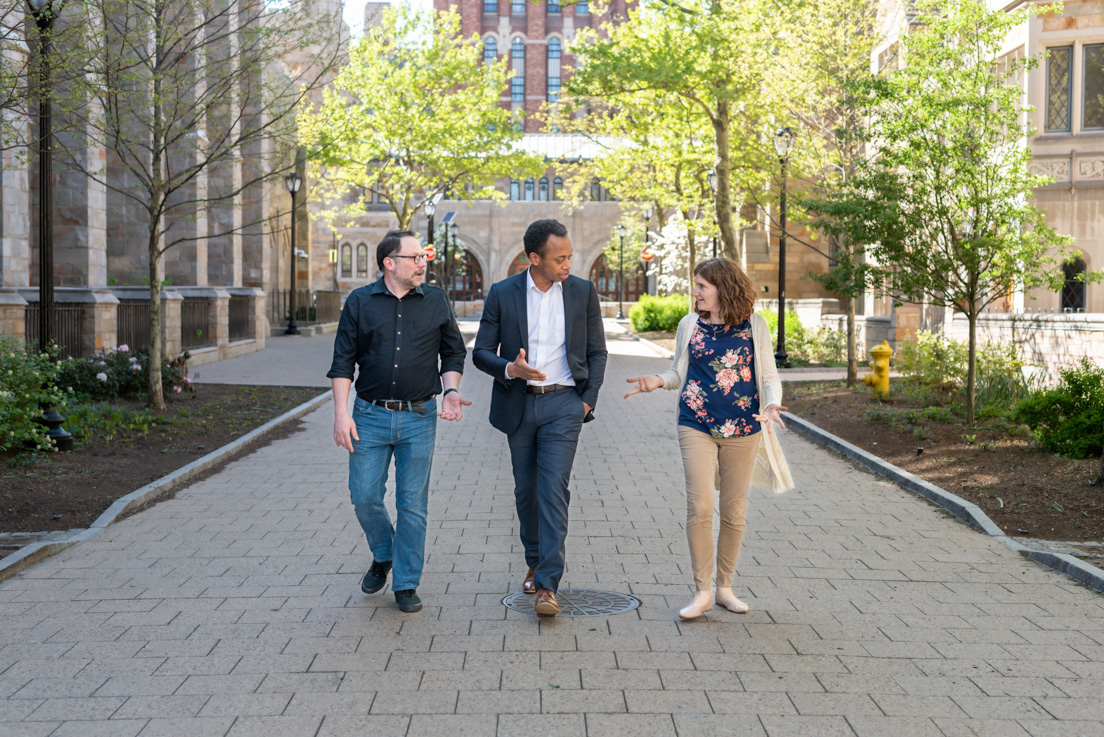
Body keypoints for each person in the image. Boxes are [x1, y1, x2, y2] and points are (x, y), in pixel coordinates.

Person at [625, 258, 793, 620]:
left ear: (723, 288)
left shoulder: (754, 327)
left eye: (702, 286)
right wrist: (657, 381)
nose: (695, 291)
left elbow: (769, 377)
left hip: (743, 428)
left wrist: (774, 403)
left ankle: (724, 588)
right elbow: (676, 373)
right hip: (695, 423)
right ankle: (701, 591)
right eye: (695, 285)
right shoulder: (690, 325)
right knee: (700, 507)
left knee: (733, 511)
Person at [327, 229, 471, 613]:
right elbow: (343, 362)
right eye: (414, 257)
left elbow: (453, 353)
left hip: (420, 416)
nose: (422, 263)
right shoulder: (360, 302)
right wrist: (341, 413)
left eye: (423, 257)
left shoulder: (437, 300)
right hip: (369, 416)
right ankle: (383, 553)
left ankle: (406, 583)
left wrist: (452, 391)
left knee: (412, 505)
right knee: (364, 496)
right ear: (390, 263)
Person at [473, 219, 608, 617]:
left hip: (564, 405)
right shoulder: (503, 293)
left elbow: (598, 352)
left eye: (570, 256)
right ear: (535, 258)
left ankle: (548, 584)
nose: (568, 263)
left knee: (552, 489)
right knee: (525, 491)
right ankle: (534, 558)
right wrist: (510, 369)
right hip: (519, 404)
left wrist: (586, 401)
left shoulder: (582, 292)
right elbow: (481, 351)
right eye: (559, 258)